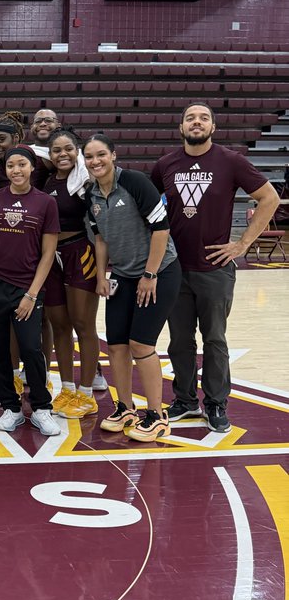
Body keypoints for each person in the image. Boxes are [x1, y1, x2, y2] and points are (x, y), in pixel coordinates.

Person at [151, 103, 279, 432]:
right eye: (190, 118)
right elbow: (148, 208)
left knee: (215, 340)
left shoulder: (231, 161)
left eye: (203, 118)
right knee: (179, 341)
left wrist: (242, 244)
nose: (197, 122)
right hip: (174, 268)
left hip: (215, 268)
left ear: (213, 127)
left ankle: (216, 402)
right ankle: (184, 400)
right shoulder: (165, 165)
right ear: (181, 127)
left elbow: (270, 198)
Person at [84, 134, 181, 443]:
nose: (95, 161)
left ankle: (157, 415)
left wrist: (150, 274)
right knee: (116, 345)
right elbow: (100, 239)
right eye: (89, 157)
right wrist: (102, 275)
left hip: (159, 272)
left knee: (140, 344)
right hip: (122, 276)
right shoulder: (91, 194)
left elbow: (161, 229)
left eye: (101, 154)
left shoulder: (135, 182)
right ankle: (125, 408)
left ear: (113, 155)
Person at [0, 147, 61, 437]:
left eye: (22, 164)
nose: (16, 170)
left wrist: (31, 295)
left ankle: (42, 407)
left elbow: (48, 253)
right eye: (11, 165)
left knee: (31, 348)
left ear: (32, 167)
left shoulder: (45, 202)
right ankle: (11, 407)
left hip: (26, 286)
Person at [43, 129, 100, 418]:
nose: (62, 154)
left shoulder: (87, 181)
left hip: (80, 253)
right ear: (49, 154)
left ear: (77, 151)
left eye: (68, 149)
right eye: (56, 150)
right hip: (51, 257)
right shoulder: (45, 180)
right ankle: (67, 389)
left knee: (83, 324)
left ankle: (87, 394)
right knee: (60, 325)